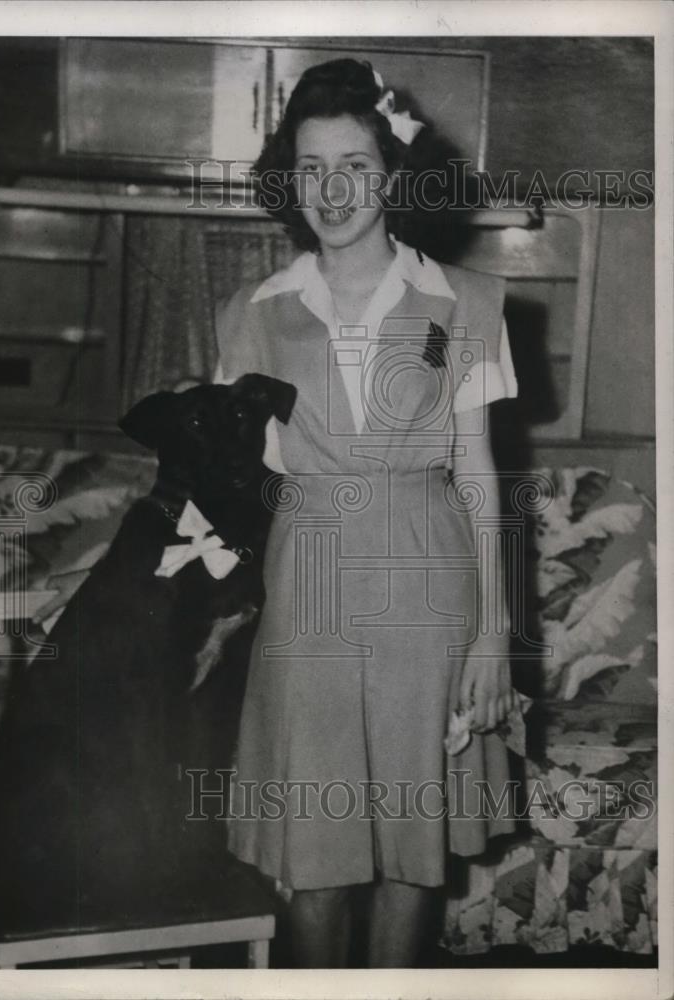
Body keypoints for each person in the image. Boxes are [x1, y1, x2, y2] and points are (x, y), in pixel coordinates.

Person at [212, 58, 519, 968]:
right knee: (317, 857)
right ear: (290, 181)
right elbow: (235, 484)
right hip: (307, 582)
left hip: (432, 580)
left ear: (391, 173)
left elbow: (476, 468)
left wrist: (494, 635)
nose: (332, 190)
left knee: (410, 854)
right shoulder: (252, 313)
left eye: (354, 164)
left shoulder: (465, 302)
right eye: (311, 168)